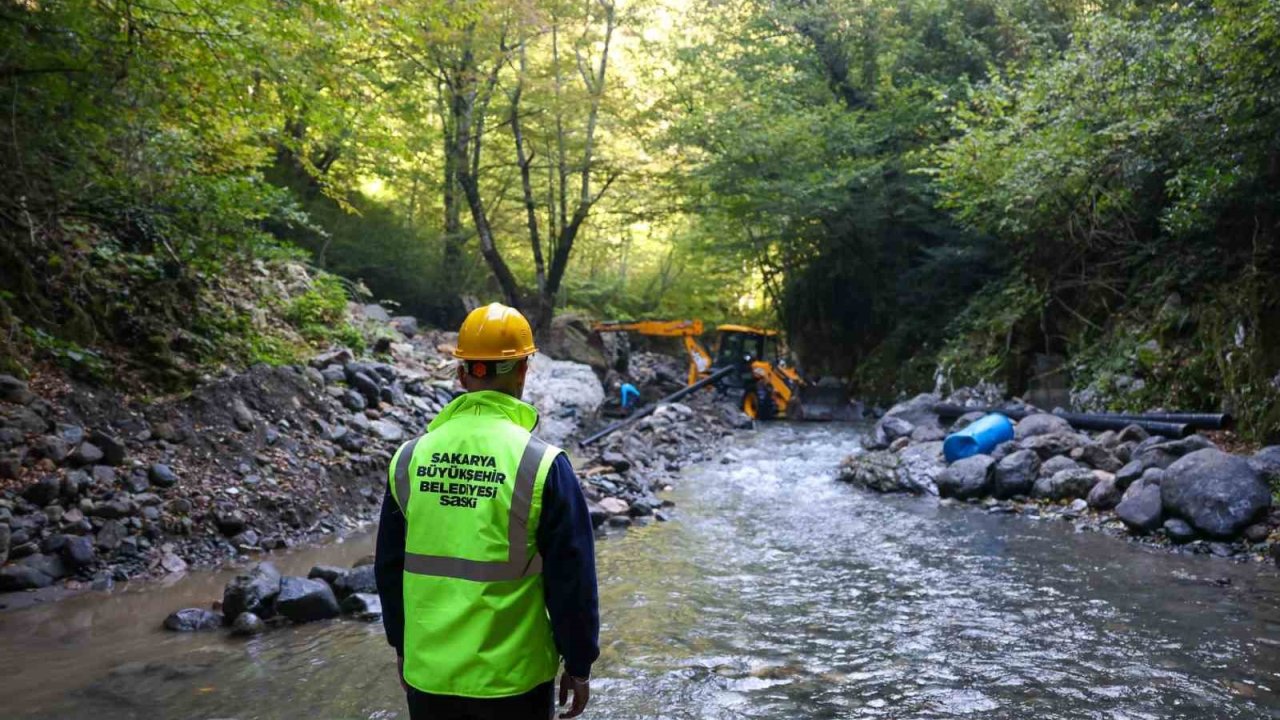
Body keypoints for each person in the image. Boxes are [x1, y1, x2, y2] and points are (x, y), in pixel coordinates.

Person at [375, 303, 600, 720]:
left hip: (430, 676)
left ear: (462, 373)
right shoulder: (542, 464)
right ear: (523, 371)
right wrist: (579, 662)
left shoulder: (408, 459)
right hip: (514, 682)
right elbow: (573, 577)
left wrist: (403, 649)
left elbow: (389, 571)